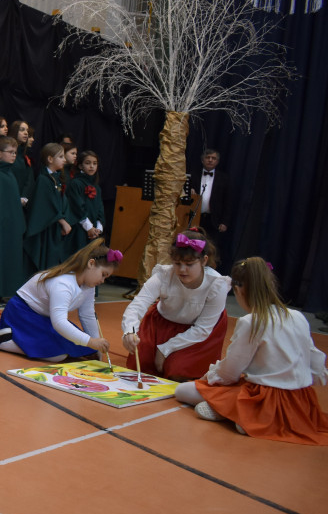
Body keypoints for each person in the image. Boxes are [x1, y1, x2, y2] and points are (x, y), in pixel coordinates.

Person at [174, 258, 328, 444]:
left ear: (239, 290)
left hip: (264, 397)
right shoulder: (297, 316)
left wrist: (211, 377)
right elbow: (316, 360)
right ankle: (245, 416)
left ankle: (243, 415)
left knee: (184, 390)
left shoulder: (251, 321)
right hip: (300, 400)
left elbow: (231, 371)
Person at [0, 239, 122, 361]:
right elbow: (59, 322)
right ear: (91, 264)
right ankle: (4, 342)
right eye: (103, 274)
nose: (103, 280)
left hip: (44, 319)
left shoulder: (88, 287)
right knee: (58, 354)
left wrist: (95, 346)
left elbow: (87, 315)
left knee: (81, 350)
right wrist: (91, 342)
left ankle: (17, 339)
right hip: (22, 315)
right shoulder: (63, 283)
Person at [121, 229, 231, 380]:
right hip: (161, 324)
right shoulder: (164, 275)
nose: (182, 269)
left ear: (204, 261)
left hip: (196, 332)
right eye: (177, 263)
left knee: (177, 369)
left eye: (189, 264)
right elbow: (137, 305)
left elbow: (203, 329)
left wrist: (165, 349)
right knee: (141, 362)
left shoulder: (217, 285)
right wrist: (129, 331)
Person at [0, 136, 27, 301]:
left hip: (11, 227)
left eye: (15, 152)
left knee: (8, 260)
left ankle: (2, 291)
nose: (14, 155)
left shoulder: (11, 176)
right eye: (10, 152)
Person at [23, 143, 73, 271]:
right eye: (61, 156)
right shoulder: (43, 180)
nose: (64, 160)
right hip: (46, 230)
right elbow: (44, 206)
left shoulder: (56, 179)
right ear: (50, 159)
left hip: (55, 229)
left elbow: (61, 202)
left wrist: (63, 219)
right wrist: (61, 220)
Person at [191, 148, 231, 263]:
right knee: (193, 245)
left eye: (213, 158)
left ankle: (209, 268)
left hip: (213, 219)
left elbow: (227, 202)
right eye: (207, 158)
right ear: (202, 160)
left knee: (211, 247)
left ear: (217, 161)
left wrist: (225, 222)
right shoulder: (194, 175)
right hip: (195, 217)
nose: (210, 160)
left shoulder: (224, 178)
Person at [66, 150, 104, 252]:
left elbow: (100, 208)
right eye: (88, 163)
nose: (92, 166)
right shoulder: (75, 184)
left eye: (94, 163)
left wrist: (98, 228)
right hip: (80, 230)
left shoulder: (97, 187)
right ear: (80, 166)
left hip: (94, 231)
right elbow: (77, 207)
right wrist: (89, 228)